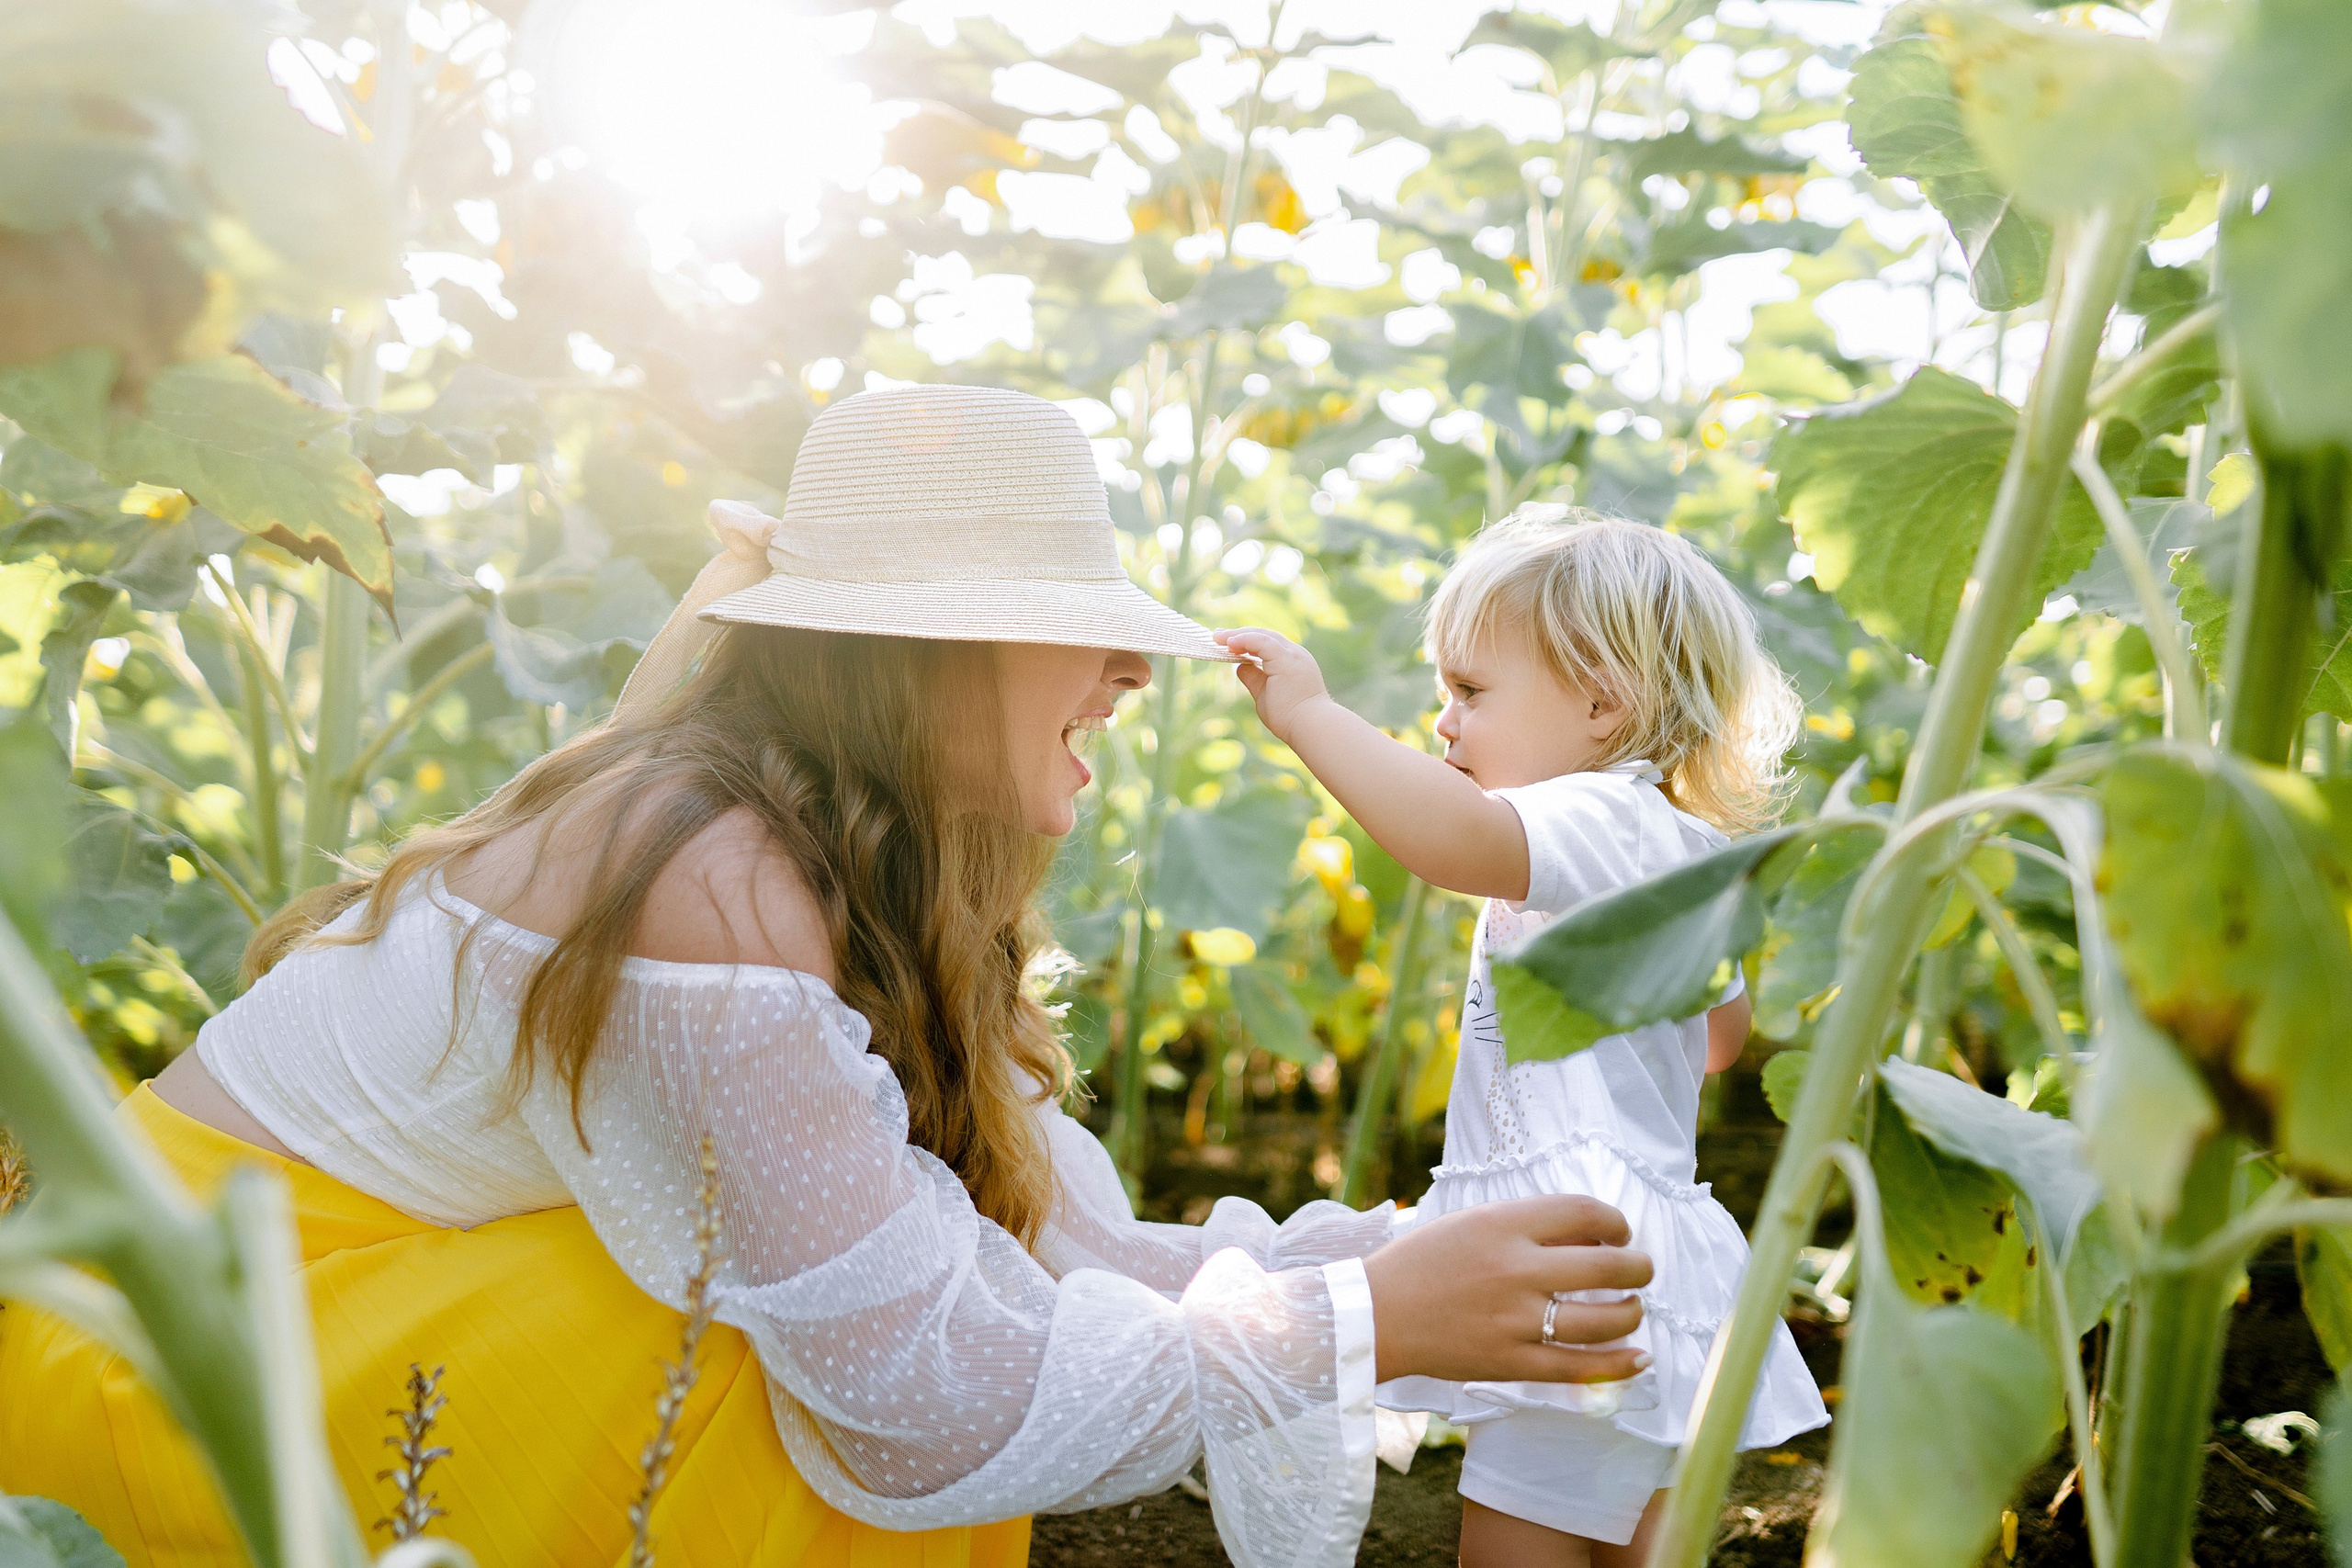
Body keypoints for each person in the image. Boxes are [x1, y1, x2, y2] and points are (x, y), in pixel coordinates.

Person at [0, 388, 1656, 1568]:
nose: (1120, 682)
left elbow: (1036, 1250)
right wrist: (1364, 1317)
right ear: (925, 654)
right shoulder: (701, 874)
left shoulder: (801, 848)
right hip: (164, 1373)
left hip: (292, 1334)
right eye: (1074, 633)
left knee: (824, 1293)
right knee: (765, 1371)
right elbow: (917, 1393)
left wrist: (1403, 1278)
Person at [1217, 509, 1830, 1568]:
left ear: (1602, 702)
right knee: (1638, 1538)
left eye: (1469, 692)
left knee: (1516, 1541)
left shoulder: (1602, 816)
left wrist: (1310, 715)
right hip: (1633, 1244)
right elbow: (1720, 1040)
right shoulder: (1670, 847)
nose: (1443, 721)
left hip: (1566, 1259)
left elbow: (1452, 842)